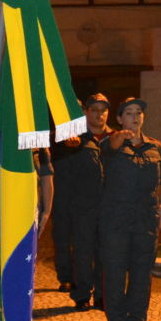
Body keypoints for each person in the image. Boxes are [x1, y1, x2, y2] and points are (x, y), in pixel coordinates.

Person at [99, 98, 161, 321]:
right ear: (119, 119)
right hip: (116, 220)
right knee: (115, 272)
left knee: (142, 274)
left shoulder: (155, 147)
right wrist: (121, 137)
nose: (135, 116)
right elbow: (109, 148)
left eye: (138, 112)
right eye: (129, 112)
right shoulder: (112, 143)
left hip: (145, 219)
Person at [50, 95, 110, 309]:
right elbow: (56, 147)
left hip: (109, 206)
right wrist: (67, 141)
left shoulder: (115, 138)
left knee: (106, 252)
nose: (99, 114)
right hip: (82, 205)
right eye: (94, 109)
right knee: (83, 252)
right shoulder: (74, 137)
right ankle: (82, 293)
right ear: (86, 112)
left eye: (103, 110)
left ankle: (103, 296)